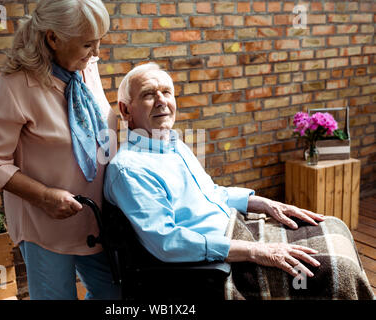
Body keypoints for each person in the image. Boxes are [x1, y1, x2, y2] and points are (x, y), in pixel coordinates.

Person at [104, 63, 374, 299]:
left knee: (332, 225)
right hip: (214, 264)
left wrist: (265, 204)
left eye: (167, 92)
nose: (162, 101)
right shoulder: (130, 169)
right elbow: (168, 243)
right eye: (149, 95)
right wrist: (257, 252)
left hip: (234, 227)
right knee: (338, 270)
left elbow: (211, 192)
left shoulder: (170, 143)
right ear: (126, 110)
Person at [0, 0, 120, 300]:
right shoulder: (14, 86)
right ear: (53, 38)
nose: (97, 53)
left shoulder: (86, 69)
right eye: (88, 44)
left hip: (97, 221)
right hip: (46, 225)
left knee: (115, 297)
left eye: (99, 42)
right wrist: (45, 197)